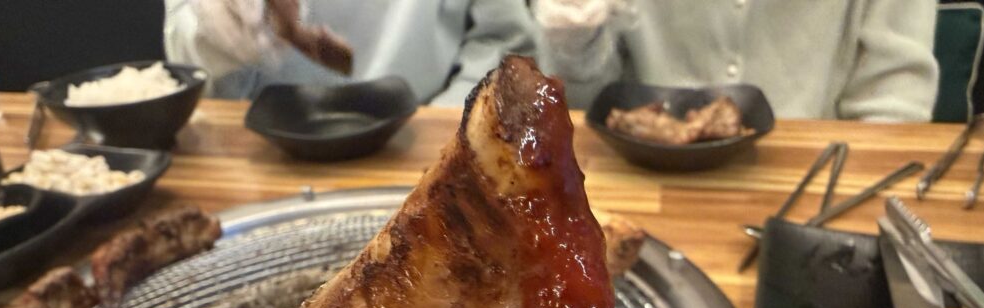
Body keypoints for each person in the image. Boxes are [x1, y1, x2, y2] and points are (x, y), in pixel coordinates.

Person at [532, 0, 940, 121]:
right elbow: (586, 104)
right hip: (642, 173)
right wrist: (574, 41)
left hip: (818, 174)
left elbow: (894, 100)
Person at [164, 0, 537, 106]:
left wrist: (449, 126)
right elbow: (184, 50)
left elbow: (501, 42)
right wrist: (213, 27)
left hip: (423, 133)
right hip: (258, 142)